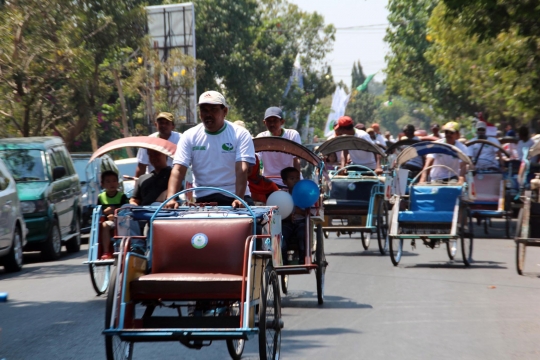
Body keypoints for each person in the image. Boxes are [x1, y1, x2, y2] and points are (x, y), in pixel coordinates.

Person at [165, 90, 255, 208]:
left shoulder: (240, 134)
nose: (208, 114)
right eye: (204, 110)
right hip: (204, 200)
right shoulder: (189, 135)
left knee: (253, 226)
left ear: (225, 111)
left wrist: (239, 199)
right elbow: (178, 170)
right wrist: (170, 198)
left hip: (235, 197)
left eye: (213, 109)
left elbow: (242, 169)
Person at [256, 107, 302, 186]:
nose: (272, 124)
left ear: (282, 122)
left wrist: (297, 182)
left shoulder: (293, 135)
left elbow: (296, 160)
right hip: (268, 181)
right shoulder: (261, 138)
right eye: (269, 121)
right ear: (264, 122)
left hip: (290, 181)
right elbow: (255, 160)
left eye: (275, 121)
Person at [135, 112, 181, 177]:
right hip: (153, 180)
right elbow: (142, 166)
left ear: (173, 126)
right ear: (156, 124)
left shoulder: (181, 140)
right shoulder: (148, 142)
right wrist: (137, 184)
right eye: (161, 123)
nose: (163, 125)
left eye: (167, 123)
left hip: (175, 177)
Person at [97, 170, 129, 259]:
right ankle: (106, 251)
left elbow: (126, 210)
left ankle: (125, 249)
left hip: (121, 220)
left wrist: (116, 213)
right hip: (108, 221)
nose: (112, 184)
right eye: (108, 181)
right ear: (102, 184)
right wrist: (104, 212)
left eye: (114, 181)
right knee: (104, 225)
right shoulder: (100, 197)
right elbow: (98, 212)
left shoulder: (122, 196)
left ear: (118, 183)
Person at [280, 167, 306, 264]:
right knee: (281, 235)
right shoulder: (282, 195)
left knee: (302, 234)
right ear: (284, 181)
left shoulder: (305, 194)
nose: (295, 181)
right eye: (292, 179)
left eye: (297, 178)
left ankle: (303, 258)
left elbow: (312, 213)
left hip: (301, 222)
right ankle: (283, 260)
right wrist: (287, 216)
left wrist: (301, 212)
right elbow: (278, 213)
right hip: (287, 222)